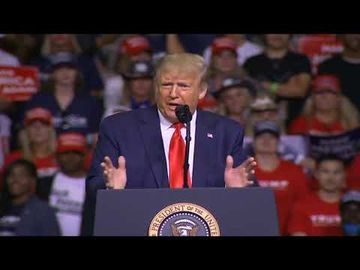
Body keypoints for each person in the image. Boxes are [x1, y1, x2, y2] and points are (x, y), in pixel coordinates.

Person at [82, 53, 257, 235]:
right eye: (166, 85)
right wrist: (112, 190)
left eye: (183, 86)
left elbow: (248, 192)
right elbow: (94, 186)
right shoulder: (119, 128)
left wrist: (236, 192)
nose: (173, 94)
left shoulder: (226, 132)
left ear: (202, 90)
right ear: (156, 88)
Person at [252, 120, 309, 235]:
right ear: (253, 142)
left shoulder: (294, 171)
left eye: (271, 137)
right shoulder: (244, 170)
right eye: (261, 136)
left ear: (279, 143)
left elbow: (303, 205)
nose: (266, 140)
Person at [37, 132, 88, 236]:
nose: (70, 157)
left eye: (76, 152)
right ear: (57, 156)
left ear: (84, 156)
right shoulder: (44, 183)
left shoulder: (95, 185)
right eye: (65, 153)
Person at [287, 154, 345, 236]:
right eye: (325, 172)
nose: (331, 178)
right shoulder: (302, 205)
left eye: (336, 172)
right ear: (316, 174)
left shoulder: (354, 204)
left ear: (344, 175)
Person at [0, 159, 60, 236]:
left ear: (32, 181)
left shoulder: (43, 211)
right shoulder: (3, 207)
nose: (15, 180)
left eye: (21, 176)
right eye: (11, 175)